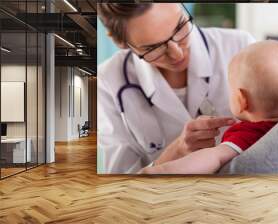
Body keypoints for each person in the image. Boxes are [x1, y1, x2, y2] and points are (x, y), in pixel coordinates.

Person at [97, 3, 255, 173]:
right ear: (120, 41)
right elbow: (120, 185)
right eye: (153, 47)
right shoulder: (107, 81)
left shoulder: (240, 46)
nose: (177, 53)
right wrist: (176, 152)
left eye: (179, 27)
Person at [139, 40, 278, 174]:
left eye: (230, 88)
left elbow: (212, 158)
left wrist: (159, 171)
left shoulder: (249, 134)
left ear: (241, 100)